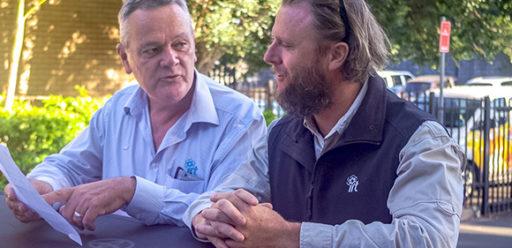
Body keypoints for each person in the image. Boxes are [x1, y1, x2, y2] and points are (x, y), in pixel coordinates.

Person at [184, 0, 465, 247]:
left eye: (287, 45)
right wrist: (207, 216)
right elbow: (221, 198)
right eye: (273, 41)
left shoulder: (418, 140)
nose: (270, 56)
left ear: (336, 55)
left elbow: (427, 239)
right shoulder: (280, 135)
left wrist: (289, 237)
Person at [4, 0, 266, 231]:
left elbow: (224, 215)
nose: (171, 59)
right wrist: (43, 187)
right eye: (152, 50)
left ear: (194, 47)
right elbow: (69, 166)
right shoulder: (117, 109)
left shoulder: (240, 119)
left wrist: (132, 192)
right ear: (125, 59)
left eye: (180, 44)